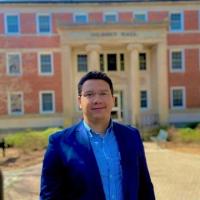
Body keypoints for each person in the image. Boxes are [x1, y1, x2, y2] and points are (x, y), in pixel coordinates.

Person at [40, 71, 155, 200]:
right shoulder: (60, 143)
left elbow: (145, 187)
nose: (97, 100)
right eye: (89, 94)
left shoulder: (131, 136)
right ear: (80, 101)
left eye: (103, 94)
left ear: (113, 99)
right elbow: (49, 196)